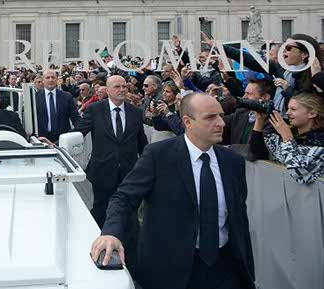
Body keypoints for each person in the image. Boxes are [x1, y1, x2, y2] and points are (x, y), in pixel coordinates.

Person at [92, 93, 255, 289]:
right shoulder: (158, 155)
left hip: (225, 269)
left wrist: (247, 268)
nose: (221, 123)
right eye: (210, 117)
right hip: (170, 270)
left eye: (221, 115)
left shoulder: (233, 162)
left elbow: (239, 217)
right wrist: (111, 233)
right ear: (188, 122)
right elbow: (124, 198)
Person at [78, 75, 147, 234]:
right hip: (102, 171)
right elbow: (78, 132)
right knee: (101, 210)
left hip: (129, 172)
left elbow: (142, 143)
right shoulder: (95, 110)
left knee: (129, 212)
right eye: (117, 86)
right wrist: (56, 144)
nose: (122, 89)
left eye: (124, 86)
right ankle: (98, 240)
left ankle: (129, 245)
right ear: (107, 90)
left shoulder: (135, 112)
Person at [250, 93, 324, 184]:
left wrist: (287, 138)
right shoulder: (287, 135)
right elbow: (257, 153)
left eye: (293, 109)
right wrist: (259, 120)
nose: (288, 113)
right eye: (288, 109)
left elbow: (299, 172)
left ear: (312, 113)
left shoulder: (320, 143)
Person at [35, 69, 80, 143]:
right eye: (48, 78)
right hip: (42, 139)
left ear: (57, 79)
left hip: (63, 138)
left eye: (53, 77)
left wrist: (78, 134)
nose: (51, 80)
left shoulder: (67, 96)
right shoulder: (35, 97)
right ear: (43, 80)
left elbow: (75, 118)